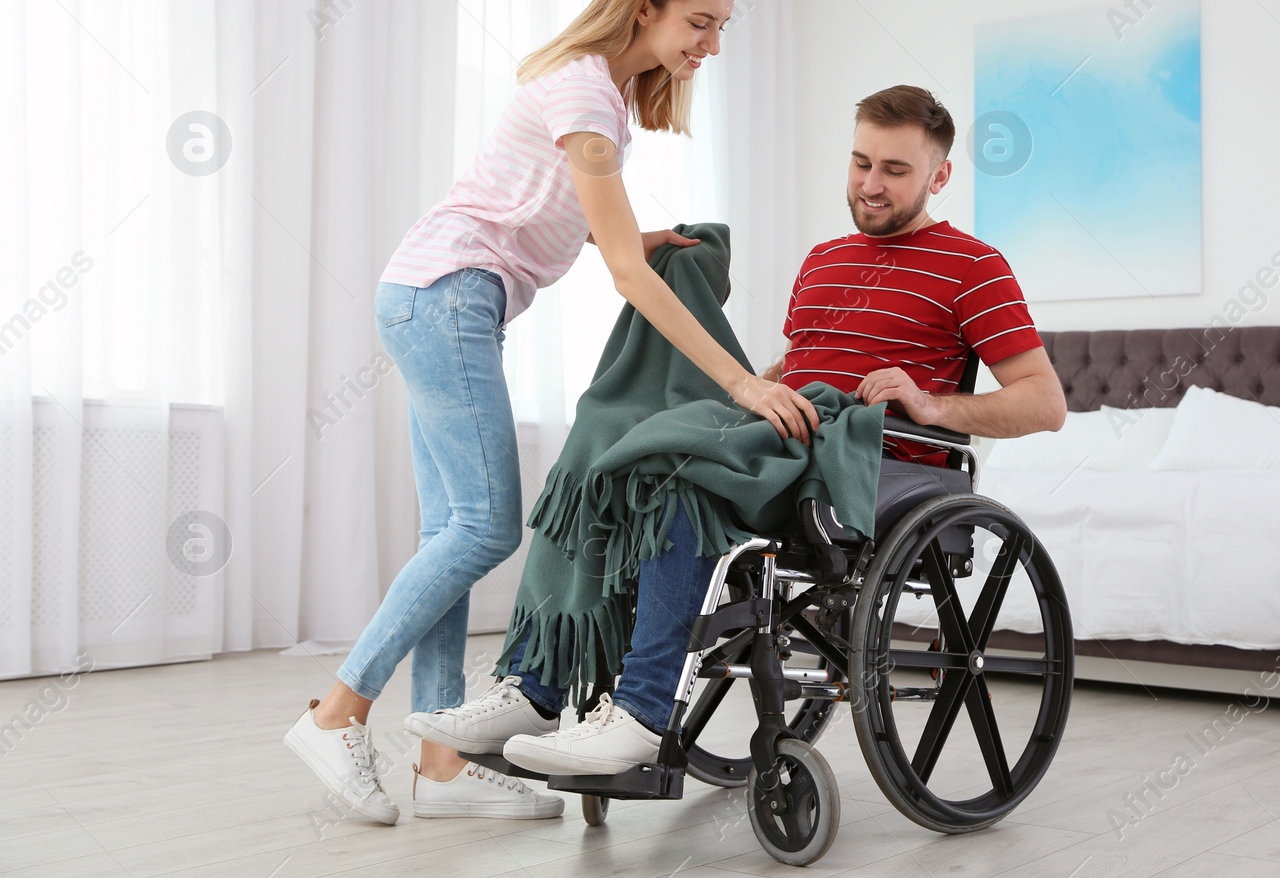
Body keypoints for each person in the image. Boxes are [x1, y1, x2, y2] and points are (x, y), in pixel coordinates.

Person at [283, 0, 819, 825]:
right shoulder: (584, 91)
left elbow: (567, 217)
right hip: (448, 297)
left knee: (452, 529)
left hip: (435, 293)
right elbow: (624, 272)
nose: (710, 45)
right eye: (700, 21)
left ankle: (445, 760)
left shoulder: (601, 94)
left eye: (721, 27)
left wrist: (631, 236)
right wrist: (743, 383)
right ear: (645, 3)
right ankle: (338, 712)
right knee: (487, 527)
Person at [407, 84, 1066, 778]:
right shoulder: (823, 259)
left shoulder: (974, 267)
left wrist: (932, 405)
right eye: (860, 162)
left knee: (678, 474)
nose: (870, 184)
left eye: (894, 171)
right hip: (790, 442)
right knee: (613, 460)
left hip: (875, 465)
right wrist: (751, 385)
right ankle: (537, 685)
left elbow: (1043, 402)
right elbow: (802, 362)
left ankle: (640, 714)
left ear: (939, 177)